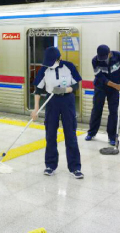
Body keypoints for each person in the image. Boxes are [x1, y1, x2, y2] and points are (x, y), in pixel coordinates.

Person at [31, 46, 83, 179]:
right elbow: (38, 89)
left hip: (67, 102)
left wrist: (68, 90)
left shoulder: (69, 66)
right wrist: (36, 108)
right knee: (50, 134)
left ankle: (75, 167)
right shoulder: (44, 68)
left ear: (59, 58)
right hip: (51, 101)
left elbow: (77, 84)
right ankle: (50, 165)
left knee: (70, 134)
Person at [85, 45, 120, 145]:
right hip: (100, 87)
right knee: (97, 109)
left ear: (109, 53)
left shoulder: (119, 56)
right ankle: (91, 132)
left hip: (114, 90)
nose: (102, 60)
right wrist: (115, 85)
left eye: (104, 57)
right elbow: (99, 76)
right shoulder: (95, 60)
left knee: (113, 112)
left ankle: (112, 137)